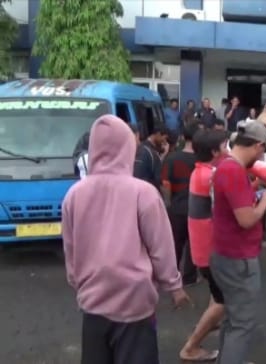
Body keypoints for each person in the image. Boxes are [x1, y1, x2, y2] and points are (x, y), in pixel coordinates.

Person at [62, 115, 190, 364]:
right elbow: (161, 247)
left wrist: (78, 283)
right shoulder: (143, 193)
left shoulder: (74, 195)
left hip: (92, 303)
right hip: (135, 306)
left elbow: (70, 248)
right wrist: (174, 287)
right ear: (127, 148)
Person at [210, 120, 266, 364]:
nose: (262, 155)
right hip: (238, 259)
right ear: (257, 145)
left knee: (232, 319)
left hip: (224, 254)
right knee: (242, 325)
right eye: (263, 150)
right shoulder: (234, 171)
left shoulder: (226, 166)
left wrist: (253, 190)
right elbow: (246, 219)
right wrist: (265, 201)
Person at [179, 129, 229, 362]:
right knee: (224, 299)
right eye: (225, 146)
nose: (228, 150)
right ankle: (191, 347)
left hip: (203, 248)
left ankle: (211, 322)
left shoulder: (200, 172)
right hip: (210, 250)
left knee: (217, 292)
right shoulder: (212, 176)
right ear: (214, 151)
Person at [162, 122, 201, 286]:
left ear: (183, 137)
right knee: (193, 244)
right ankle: (190, 277)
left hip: (176, 207)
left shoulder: (172, 158)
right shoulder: (202, 159)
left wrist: (169, 201)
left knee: (175, 244)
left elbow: (165, 183)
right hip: (197, 208)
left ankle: (173, 275)